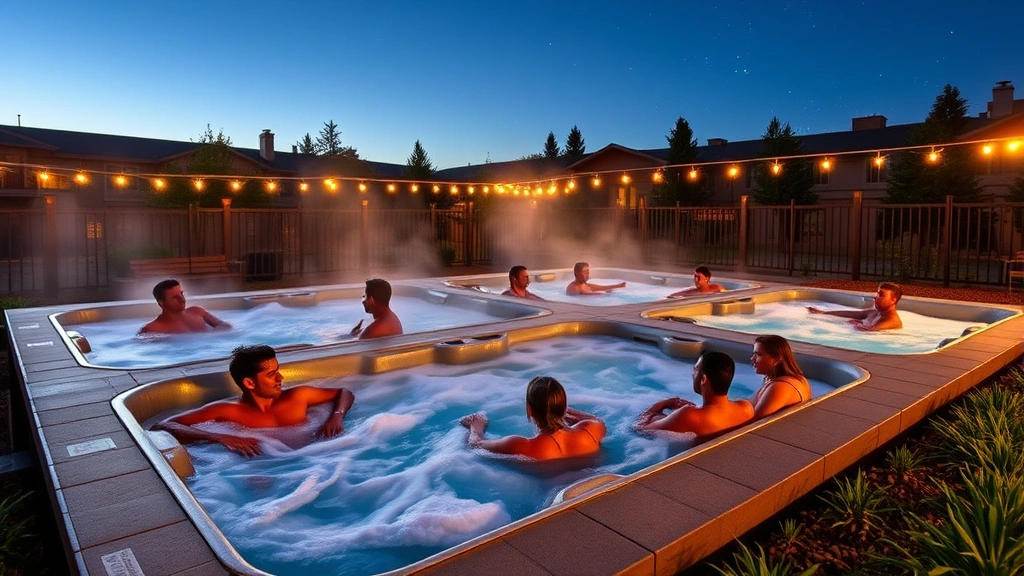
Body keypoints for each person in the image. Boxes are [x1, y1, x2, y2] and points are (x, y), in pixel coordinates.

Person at [154, 344, 355, 457]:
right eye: (271, 374)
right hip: (270, 469)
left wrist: (336, 417)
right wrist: (219, 437)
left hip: (322, 460)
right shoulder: (229, 411)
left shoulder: (297, 397)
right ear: (249, 383)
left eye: (278, 371)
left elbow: (344, 392)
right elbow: (163, 425)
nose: (280, 378)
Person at [459, 376, 605, 461]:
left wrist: (476, 425)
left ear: (529, 410)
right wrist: (561, 411)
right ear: (563, 406)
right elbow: (596, 419)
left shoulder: (523, 446)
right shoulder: (592, 429)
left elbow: (475, 445)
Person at [636, 351, 754, 440]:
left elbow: (640, 429)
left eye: (696, 370)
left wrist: (664, 403)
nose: (693, 375)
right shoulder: (746, 407)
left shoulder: (689, 415)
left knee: (657, 418)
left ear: (703, 379)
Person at [749, 335, 811, 419]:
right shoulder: (798, 378)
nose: (752, 359)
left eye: (759, 354)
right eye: (754, 354)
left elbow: (753, 423)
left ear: (777, 359)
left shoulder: (781, 387)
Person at [139, 279, 230, 334]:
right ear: (161, 302)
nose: (182, 300)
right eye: (175, 297)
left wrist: (210, 337)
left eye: (181, 294)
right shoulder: (153, 329)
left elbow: (225, 326)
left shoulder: (197, 311)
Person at [806, 282, 903, 331]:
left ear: (893, 300)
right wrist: (823, 312)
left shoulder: (891, 321)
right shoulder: (876, 312)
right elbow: (853, 313)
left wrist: (855, 325)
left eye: (881, 295)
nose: (875, 297)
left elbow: (869, 332)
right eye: (877, 293)